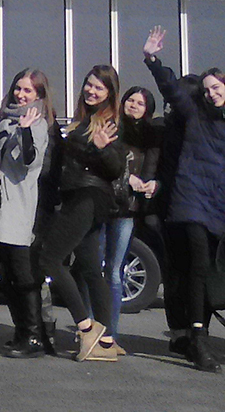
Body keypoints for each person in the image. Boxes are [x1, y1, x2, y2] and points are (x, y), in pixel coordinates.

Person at [144, 26, 225, 372]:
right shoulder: (195, 116)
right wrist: (152, 59)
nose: (211, 94)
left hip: (217, 206)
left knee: (205, 271)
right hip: (190, 202)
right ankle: (198, 339)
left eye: (216, 87)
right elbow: (172, 90)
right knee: (198, 265)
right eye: (206, 90)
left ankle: (195, 334)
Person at [38, 65, 126, 362]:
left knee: (49, 258)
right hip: (80, 196)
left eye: (99, 87)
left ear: (110, 93)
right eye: (89, 84)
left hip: (87, 198)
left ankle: (87, 327)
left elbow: (115, 168)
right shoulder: (84, 120)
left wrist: (101, 149)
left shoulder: (109, 122)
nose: (91, 90)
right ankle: (107, 342)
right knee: (89, 268)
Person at [0, 69, 54, 359]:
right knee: (6, 274)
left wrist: (25, 131)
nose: (21, 94)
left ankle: (34, 335)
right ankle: (22, 331)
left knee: (22, 274)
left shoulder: (36, 123)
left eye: (28, 90)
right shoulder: (6, 121)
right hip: (1, 206)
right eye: (18, 88)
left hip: (20, 208)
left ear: (39, 94)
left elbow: (30, 160)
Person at [97, 85, 160, 353]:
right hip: (103, 205)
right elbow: (103, 164)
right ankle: (89, 331)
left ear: (148, 110)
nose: (133, 105)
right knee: (94, 270)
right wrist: (127, 178)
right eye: (130, 100)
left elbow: (158, 172)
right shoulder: (112, 128)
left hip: (128, 210)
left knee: (114, 271)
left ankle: (109, 335)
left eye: (140, 103)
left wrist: (153, 184)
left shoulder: (152, 137)